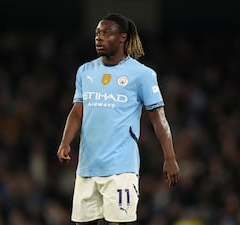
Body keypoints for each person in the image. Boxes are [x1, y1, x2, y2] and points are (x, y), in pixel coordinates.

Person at [57, 13, 180, 225]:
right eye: (97, 33)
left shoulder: (142, 74)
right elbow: (77, 111)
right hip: (87, 168)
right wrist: (65, 142)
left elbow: (159, 119)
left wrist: (169, 157)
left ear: (122, 37)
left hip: (121, 169)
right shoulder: (85, 71)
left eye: (106, 33)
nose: (99, 38)